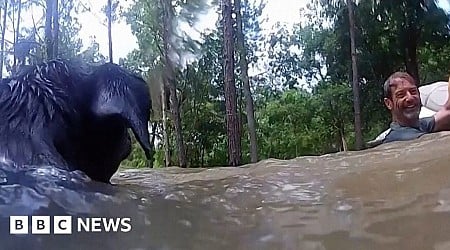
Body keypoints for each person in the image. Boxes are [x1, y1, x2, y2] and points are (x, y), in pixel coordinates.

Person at [381, 71, 450, 144]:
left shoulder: (420, 124)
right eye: (401, 95)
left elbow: (448, 111)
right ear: (388, 103)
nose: (410, 98)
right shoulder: (399, 138)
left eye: (413, 91)